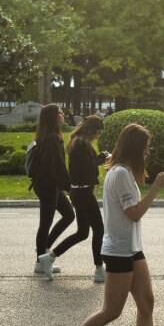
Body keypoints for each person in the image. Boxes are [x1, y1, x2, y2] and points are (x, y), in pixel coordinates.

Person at [48, 123, 164, 326]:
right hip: (119, 251)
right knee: (111, 311)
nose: (148, 152)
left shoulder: (124, 172)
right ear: (136, 148)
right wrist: (156, 189)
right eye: (146, 147)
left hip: (132, 248)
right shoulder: (120, 175)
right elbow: (134, 213)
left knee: (146, 303)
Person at [36, 116, 109, 282]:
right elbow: (86, 170)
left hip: (77, 192)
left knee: (82, 232)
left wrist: (98, 159)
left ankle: (50, 256)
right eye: (98, 133)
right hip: (83, 193)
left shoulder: (77, 141)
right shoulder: (82, 144)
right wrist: (101, 160)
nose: (98, 136)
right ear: (93, 130)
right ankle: (99, 269)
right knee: (99, 229)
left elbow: (83, 166)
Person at [30, 104, 74, 276]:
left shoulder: (50, 136)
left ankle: (43, 254)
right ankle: (41, 262)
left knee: (69, 215)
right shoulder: (51, 138)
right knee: (45, 223)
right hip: (48, 185)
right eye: (60, 113)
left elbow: (56, 166)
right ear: (53, 117)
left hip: (49, 184)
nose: (63, 115)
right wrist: (69, 186)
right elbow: (56, 166)